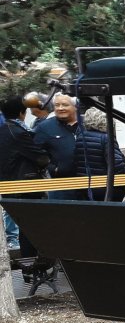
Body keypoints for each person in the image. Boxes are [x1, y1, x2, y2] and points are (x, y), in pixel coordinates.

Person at [1, 96, 50, 253]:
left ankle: (30, 269)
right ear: (22, 113)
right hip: (25, 186)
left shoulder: (4, 129)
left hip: (10, 185)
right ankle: (33, 267)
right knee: (32, 228)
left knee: (25, 227)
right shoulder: (17, 132)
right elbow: (40, 157)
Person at [33, 93, 83, 199]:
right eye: (57, 105)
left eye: (65, 105)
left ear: (75, 106)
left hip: (91, 183)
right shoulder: (44, 127)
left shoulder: (87, 124)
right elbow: (35, 153)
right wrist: (53, 168)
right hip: (61, 186)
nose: (60, 108)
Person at [74, 108, 125, 201]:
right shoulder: (106, 139)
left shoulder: (80, 137)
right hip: (106, 188)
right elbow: (117, 165)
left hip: (86, 188)